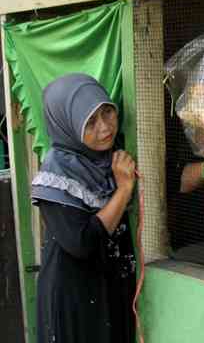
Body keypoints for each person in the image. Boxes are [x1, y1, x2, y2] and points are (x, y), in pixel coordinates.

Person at [30, 74, 136, 343]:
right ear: (69, 126)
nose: (105, 128)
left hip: (111, 287)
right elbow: (82, 243)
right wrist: (123, 191)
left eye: (107, 112)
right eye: (90, 122)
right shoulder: (56, 174)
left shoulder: (117, 152)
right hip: (74, 296)